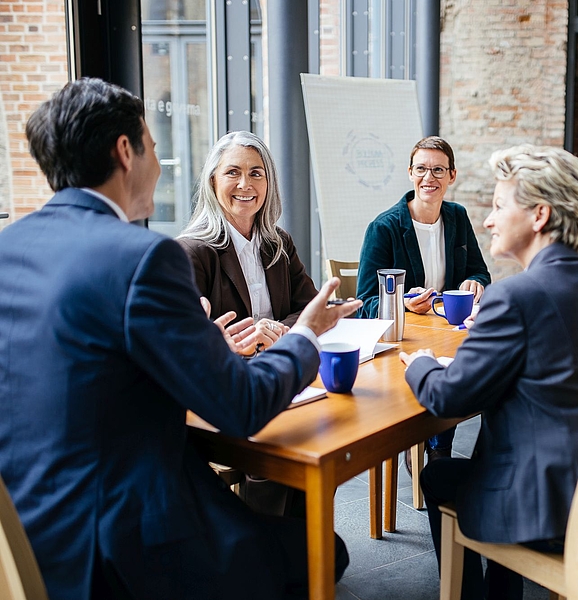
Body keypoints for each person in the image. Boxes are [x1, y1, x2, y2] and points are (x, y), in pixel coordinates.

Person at [0, 77, 362, 599]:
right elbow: (241, 407)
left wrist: (201, 346)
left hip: (31, 531)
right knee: (324, 550)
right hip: (122, 546)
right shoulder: (145, 258)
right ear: (126, 151)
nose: (158, 162)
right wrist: (304, 337)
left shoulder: (11, 246)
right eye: (151, 144)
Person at [399, 145, 578, 599]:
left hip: (560, 512)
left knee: (437, 476)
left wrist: (418, 362)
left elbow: (446, 398)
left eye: (499, 207)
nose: (489, 220)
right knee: (493, 453)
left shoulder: (516, 296)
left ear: (539, 215)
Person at [357, 136, 491, 468]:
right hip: (407, 338)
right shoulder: (384, 227)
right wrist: (401, 303)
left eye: (437, 170)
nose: (428, 178)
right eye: (421, 169)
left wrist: (476, 282)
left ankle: (439, 453)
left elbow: (480, 271)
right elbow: (364, 301)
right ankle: (435, 452)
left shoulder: (457, 217)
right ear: (410, 172)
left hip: (449, 330)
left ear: (452, 175)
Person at [178, 130, 318, 355]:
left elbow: (310, 308)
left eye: (256, 173)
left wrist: (276, 331)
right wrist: (247, 340)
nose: (245, 184)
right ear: (213, 180)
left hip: (281, 366)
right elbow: (186, 339)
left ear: (268, 183)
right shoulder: (191, 252)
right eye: (233, 172)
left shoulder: (278, 243)